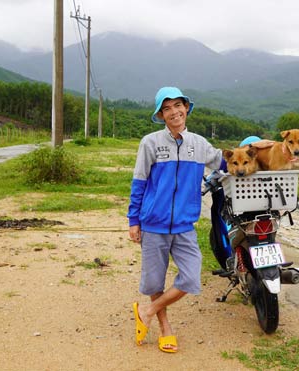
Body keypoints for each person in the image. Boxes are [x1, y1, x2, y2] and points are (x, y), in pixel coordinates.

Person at [128, 86, 225, 353]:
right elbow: (139, 183)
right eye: (167, 108)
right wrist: (133, 220)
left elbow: (226, 162)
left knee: (192, 278)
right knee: (154, 282)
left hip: (184, 226)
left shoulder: (200, 144)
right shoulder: (150, 143)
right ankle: (165, 329)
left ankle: (147, 312)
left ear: (186, 108)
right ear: (160, 115)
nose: (174, 112)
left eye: (178, 105)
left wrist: (261, 152)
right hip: (153, 224)